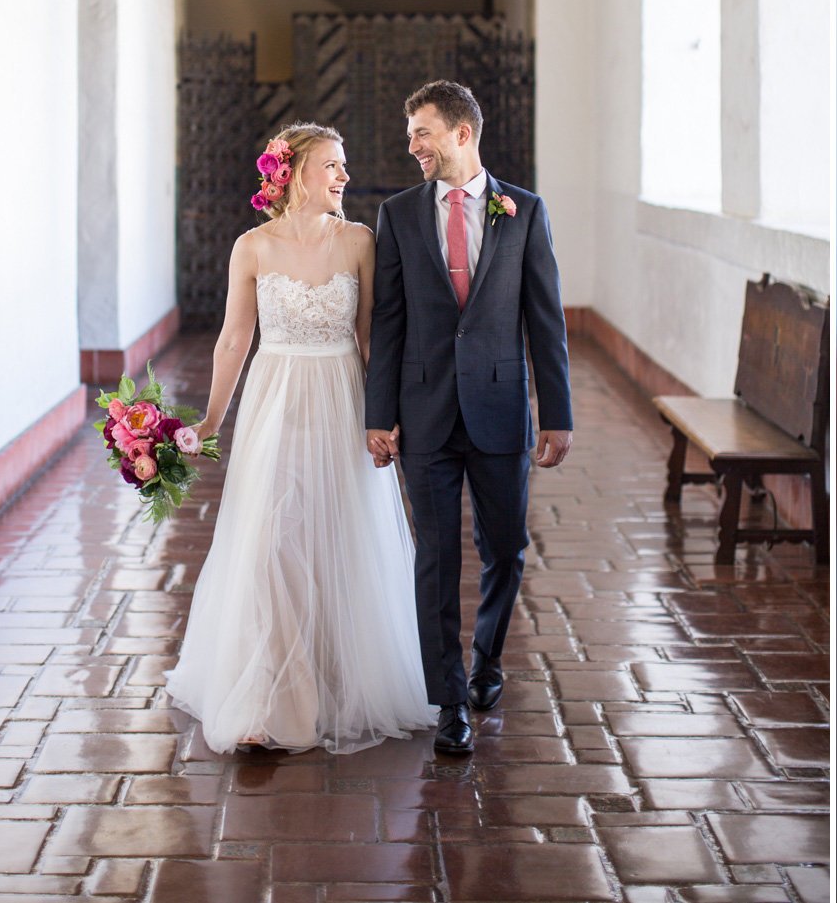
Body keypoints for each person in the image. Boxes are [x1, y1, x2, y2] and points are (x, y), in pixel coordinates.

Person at [166, 123, 435, 755]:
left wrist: (384, 414)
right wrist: (209, 421)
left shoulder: (360, 242)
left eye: (344, 166)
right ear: (292, 175)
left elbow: (372, 336)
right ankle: (270, 695)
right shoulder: (252, 248)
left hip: (341, 395)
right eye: (333, 166)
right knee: (270, 539)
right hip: (276, 397)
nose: (344, 176)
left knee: (336, 535)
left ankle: (336, 680)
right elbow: (235, 338)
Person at [365, 79, 574, 756]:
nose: (412, 146)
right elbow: (388, 323)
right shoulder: (396, 215)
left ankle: (485, 657)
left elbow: (544, 318)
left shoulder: (524, 210)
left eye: (421, 132)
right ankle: (449, 698)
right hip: (424, 411)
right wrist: (379, 414)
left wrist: (557, 412)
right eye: (409, 135)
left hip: (499, 407)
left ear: (461, 133)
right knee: (435, 557)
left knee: (505, 548)